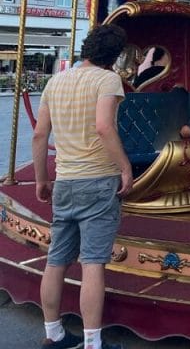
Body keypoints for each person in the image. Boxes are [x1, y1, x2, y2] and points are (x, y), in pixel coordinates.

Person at [32, 24, 131, 349]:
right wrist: (125, 167)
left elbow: (40, 134)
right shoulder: (108, 80)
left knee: (56, 259)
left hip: (65, 181)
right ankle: (92, 343)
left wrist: (41, 179)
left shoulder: (56, 81)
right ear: (114, 55)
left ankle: (53, 333)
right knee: (92, 262)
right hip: (98, 180)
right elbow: (104, 126)